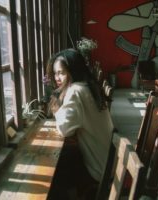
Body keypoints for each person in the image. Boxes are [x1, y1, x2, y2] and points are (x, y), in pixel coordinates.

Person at [46, 48, 114, 200]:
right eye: (56, 73)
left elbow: (64, 129)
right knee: (65, 157)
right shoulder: (87, 86)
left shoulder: (76, 91)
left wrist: (57, 109)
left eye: (62, 73)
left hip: (98, 169)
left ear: (73, 71)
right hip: (107, 160)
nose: (57, 78)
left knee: (55, 170)